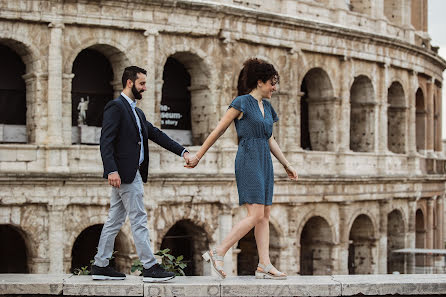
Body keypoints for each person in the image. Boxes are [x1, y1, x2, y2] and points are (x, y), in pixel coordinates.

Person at [185, 58, 298, 279]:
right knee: (255, 214)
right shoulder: (241, 103)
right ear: (260, 82)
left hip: (265, 161)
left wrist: (287, 164)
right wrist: (198, 155)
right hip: (247, 159)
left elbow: (270, 139)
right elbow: (218, 130)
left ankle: (264, 265)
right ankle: (219, 251)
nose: (275, 87)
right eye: (272, 83)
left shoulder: (267, 107)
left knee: (264, 215)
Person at [91, 66, 191, 282]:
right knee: (138, 218)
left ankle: (100, 264)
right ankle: (149, 266)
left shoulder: (137, 112)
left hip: (130, 172)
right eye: (142, 83)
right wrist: (111, 170)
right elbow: (105, 141)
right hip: (126, 174)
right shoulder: (115, 107)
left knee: (114, 220)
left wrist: (183, 152)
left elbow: (156, 134)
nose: (145, 88)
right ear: (130, 83)